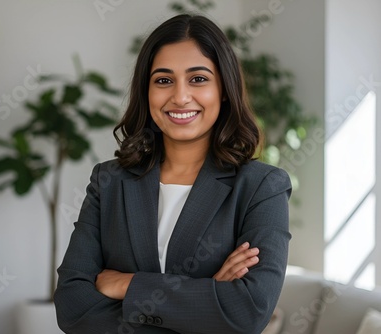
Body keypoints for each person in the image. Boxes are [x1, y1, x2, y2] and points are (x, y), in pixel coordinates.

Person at [54, 14, 291, 334]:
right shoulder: (108, 182)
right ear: (146, 90)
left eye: (198, 79)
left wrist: (128, 285)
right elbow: (72, 308)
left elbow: (247, 312)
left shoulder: (261, 187)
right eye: (164, 80)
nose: (180, 97)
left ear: (223, 89)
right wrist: (205, 299)